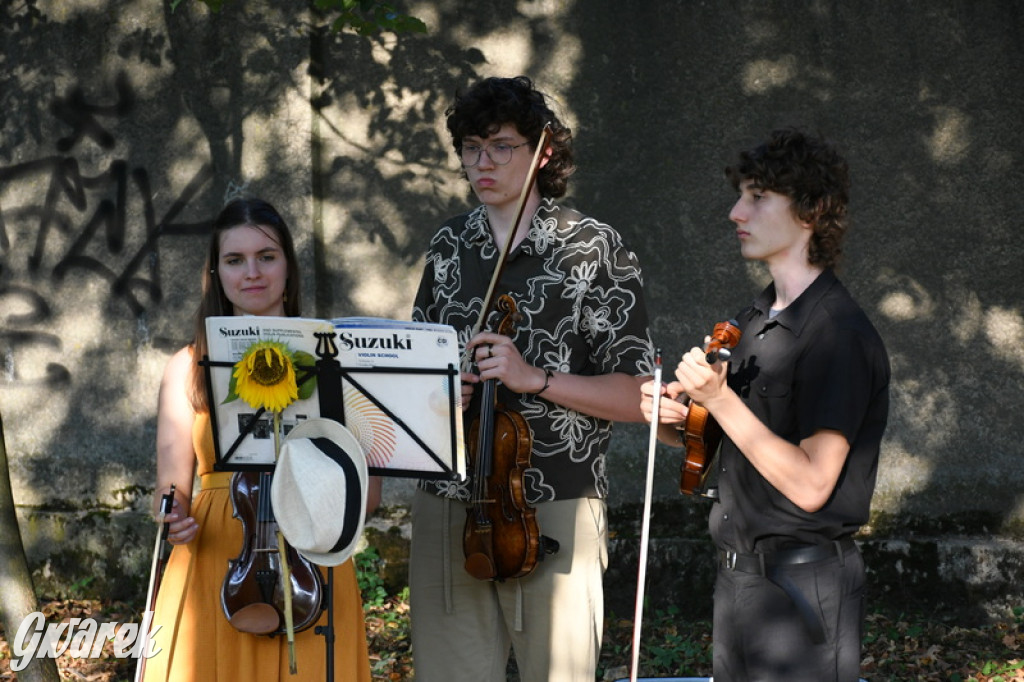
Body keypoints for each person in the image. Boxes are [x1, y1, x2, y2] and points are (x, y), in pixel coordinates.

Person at [408, 75, 654, 682]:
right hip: (452, 506)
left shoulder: (594, 249)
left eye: (501, 146)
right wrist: (442, 393)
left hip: (556, 502)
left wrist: (532, 376)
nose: (481, 163)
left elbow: (638, 397)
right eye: (470, 147)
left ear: (543, 152)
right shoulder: (448, 247)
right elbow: (416, 381)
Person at [642, 128, 890, 681]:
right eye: (740, 195)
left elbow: (810, 484)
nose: (736, 212)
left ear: (811, 211)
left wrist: (721, 400)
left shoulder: (837, 335)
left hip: (801, 592)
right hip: (738, 584)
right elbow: (735, 449)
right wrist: (677, 422)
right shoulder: (752, 320)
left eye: (757, 197)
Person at [145, 197, 381, 682]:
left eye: (266, 257)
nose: (251, 272)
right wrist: (174, 517)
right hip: (218, 559)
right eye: (235, 260)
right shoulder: (187, 367)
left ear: (289, 269)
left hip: (311, 559)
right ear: (215, 275)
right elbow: (172, 490)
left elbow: (368, 499)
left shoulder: (337, 365)